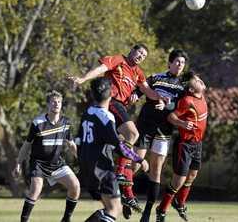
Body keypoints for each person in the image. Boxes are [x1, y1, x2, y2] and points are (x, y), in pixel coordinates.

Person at [69, 44, 167, 212]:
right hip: (112, 102)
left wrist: (160, 99)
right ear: (132, 50)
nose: (141, 56)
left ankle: (126, 193)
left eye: (144, 55)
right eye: (139, 52)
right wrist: (83, 79)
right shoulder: (118, 60)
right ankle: (120, 171)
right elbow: (101, 69)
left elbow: (148, 90)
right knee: (132, 133)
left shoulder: (138, 73)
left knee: (120, 143)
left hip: (119, 107)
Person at [77, 77, 149, 222]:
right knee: (113, 210)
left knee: (109, 207)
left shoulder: (87, 113)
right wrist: (139, 159)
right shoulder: (106, 116)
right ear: (111, 94)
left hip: (87, 168)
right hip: (102, 169)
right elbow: (120, 147)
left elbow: (79, 141)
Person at [131, 49, 188, 222]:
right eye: (177, 62)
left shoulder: (184, 86)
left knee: (156, 170)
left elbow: (181, 108)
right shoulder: (156, 77)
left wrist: (167, 107)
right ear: (169, 63)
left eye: (183, 63)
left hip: (164, 131)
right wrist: (135, 94)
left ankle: (147, 213)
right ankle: (127, 197)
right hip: (146, 125)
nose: (180, 65)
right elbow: (141, 87)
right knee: (135, 164)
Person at [13, 90, 80, 222]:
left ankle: (66, 219)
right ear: (48, 105)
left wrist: (81, 158)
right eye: (53, 102)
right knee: (36, 189)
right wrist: (18, 163)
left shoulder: (66, 123)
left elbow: (71, 144)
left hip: (56, 164)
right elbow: (26, 146)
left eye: (59, 102)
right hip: (38, 163)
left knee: (75, 187)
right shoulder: (38, 123)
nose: (56, 104)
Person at [156, 72, 208, 222]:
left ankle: (179, 202)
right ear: (191, 89)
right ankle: (162, 209)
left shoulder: (202, 96)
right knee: (179, 180)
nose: (200, 80)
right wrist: (183, 123)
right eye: (197, 80)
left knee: (192, 176)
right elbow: (171, 117)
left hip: (197, 144)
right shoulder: (187, 100)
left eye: (199, 78)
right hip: (184, 144)